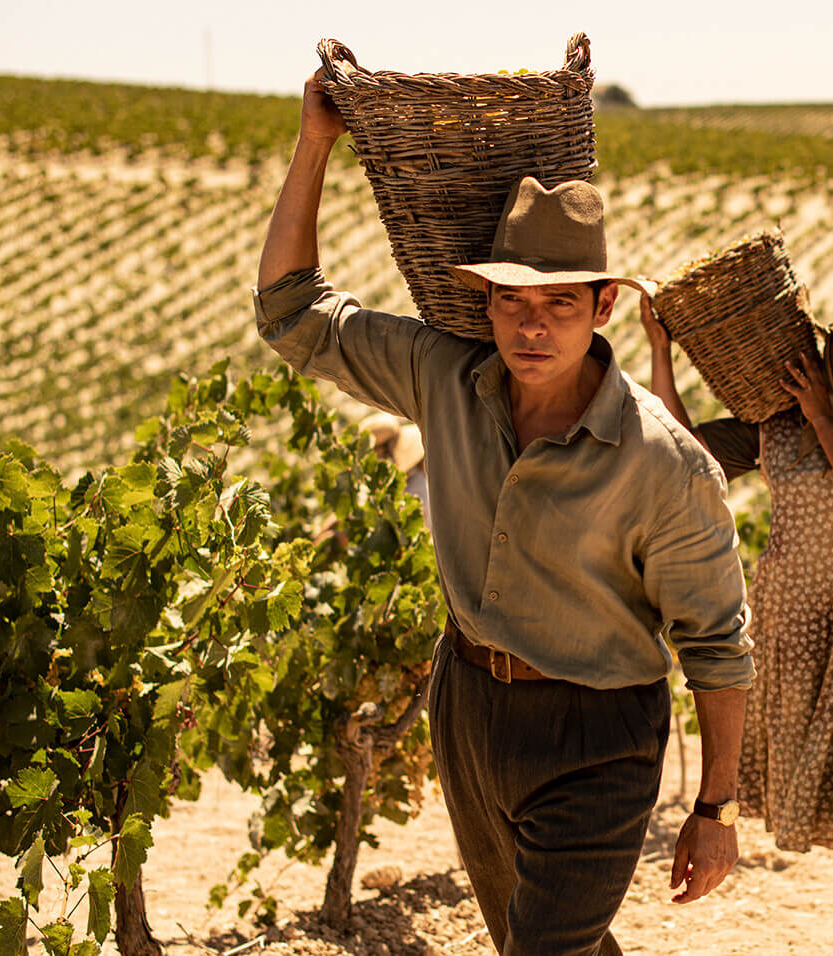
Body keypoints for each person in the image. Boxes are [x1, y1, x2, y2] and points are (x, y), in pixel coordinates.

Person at [254, 73, 754, 955]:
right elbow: (293, 311)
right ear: (484, 303)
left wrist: (715, 807)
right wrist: (316, 142)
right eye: (512, 301)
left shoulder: (664, 464)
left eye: (561, 301)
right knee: (534, 940)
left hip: (599, 734)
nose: (533, 326)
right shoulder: (440, 376)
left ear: (603, 307)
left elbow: (717, 645)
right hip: (469, 704)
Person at [642, 287, 833, 956]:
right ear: (825, 347)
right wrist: (661, 352)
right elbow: (683, 454)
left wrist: (822, 415)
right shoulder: (779, 425)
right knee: (816, 761)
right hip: (797, 620)